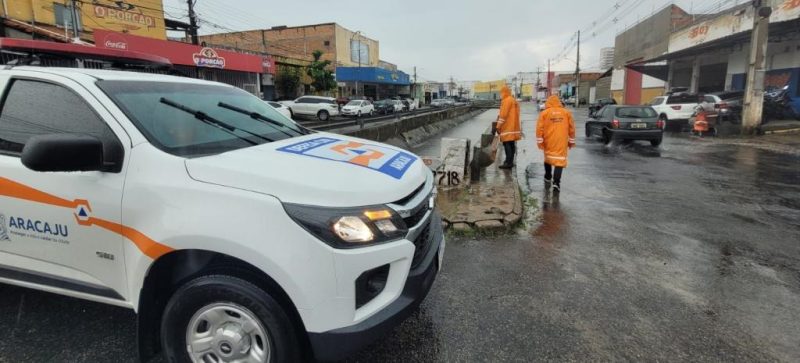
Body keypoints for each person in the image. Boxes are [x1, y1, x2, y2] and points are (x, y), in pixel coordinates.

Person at [536, 95, 575, 192]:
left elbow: (539, 129)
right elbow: (572, 129)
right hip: (561, 141)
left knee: (548, 158)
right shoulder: (566, 113)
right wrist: (571, 142)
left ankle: (548, 176)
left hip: (548, 140)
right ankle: (556, 183)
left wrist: (540, 142)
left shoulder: (544, 113)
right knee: (559, 161)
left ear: (548, 102)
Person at [496, 86, 522, 169]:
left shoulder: (506, 101)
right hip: (514, 127)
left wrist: (498, 126)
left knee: (507, 144)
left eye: (501, 93)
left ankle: (508, 163)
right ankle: (510, 161)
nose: (500, 95)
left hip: (508, 127)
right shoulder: (514, 101)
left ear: (504, 92)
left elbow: (503, 115)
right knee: (512, 144)